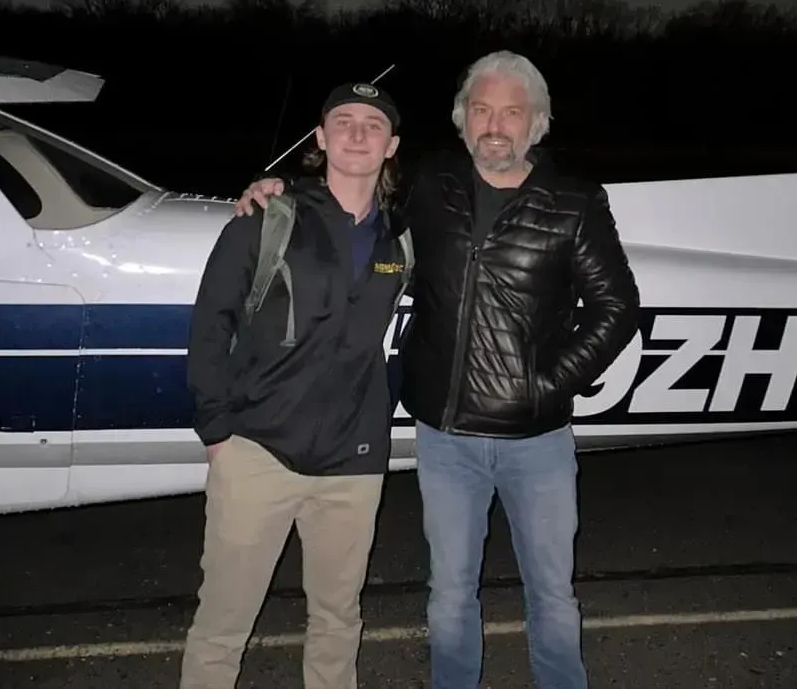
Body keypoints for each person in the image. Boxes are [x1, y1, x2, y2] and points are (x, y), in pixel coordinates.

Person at [234, 51, 641, 689]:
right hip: (445, 438)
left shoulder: (576, 200)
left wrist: (546, 384)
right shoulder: (431, 183)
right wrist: (281, 190)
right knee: (449, 596)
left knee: (553, 597)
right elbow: (355, 209)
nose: (495, 125)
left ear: (537, 123)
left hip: (537, 440)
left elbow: (616, 308)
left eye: (512, 111)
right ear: (462, 120)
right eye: (481, 109)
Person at [180, 82, 412, 689]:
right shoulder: (268, 217)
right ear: (319, 139)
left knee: (338, 620)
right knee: (223, 623)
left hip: (354, 461)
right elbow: (210, 326)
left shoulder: (403, 238)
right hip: (257, 451)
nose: (358, 133)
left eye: (372, 124)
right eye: (343, 121)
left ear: (392, 146)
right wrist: (217, 433)